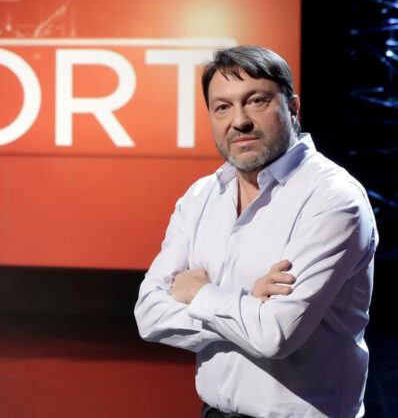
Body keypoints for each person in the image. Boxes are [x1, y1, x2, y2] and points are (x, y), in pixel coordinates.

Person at [134, 45, 378, 418]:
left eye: (256, 101)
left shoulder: (333, 199)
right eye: (222, 107)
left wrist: (198, 292)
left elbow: (274, 335)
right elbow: (149, 316)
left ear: (293, 108)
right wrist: (247, 303)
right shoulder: (201, 196)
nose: (239, 121)